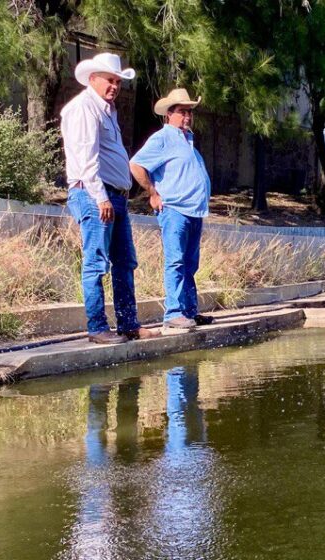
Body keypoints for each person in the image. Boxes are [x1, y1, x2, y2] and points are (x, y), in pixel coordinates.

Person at [61, 53, 160, 344]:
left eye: (117, 81)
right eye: (109, 80)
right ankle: (97, 328)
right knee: (96, 262)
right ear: (93, 79)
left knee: (125, 261)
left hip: (113, 196)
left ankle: (128, 324)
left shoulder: (106, 110)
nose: (114, 86)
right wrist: (100, 197)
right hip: (95, 194)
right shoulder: (83, 108)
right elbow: (85, 157)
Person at [130, 88, 213, 331]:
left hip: (194, 212)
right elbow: (136, 165)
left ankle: (188, 310)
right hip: (175, 210)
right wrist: (153, 193)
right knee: (176, 261)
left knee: (190, 263)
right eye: (181, 112)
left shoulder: (189, 141)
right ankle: (174, 313)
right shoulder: (163, 138)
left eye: (189, 112)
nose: (187, 116)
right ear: (169, 114)